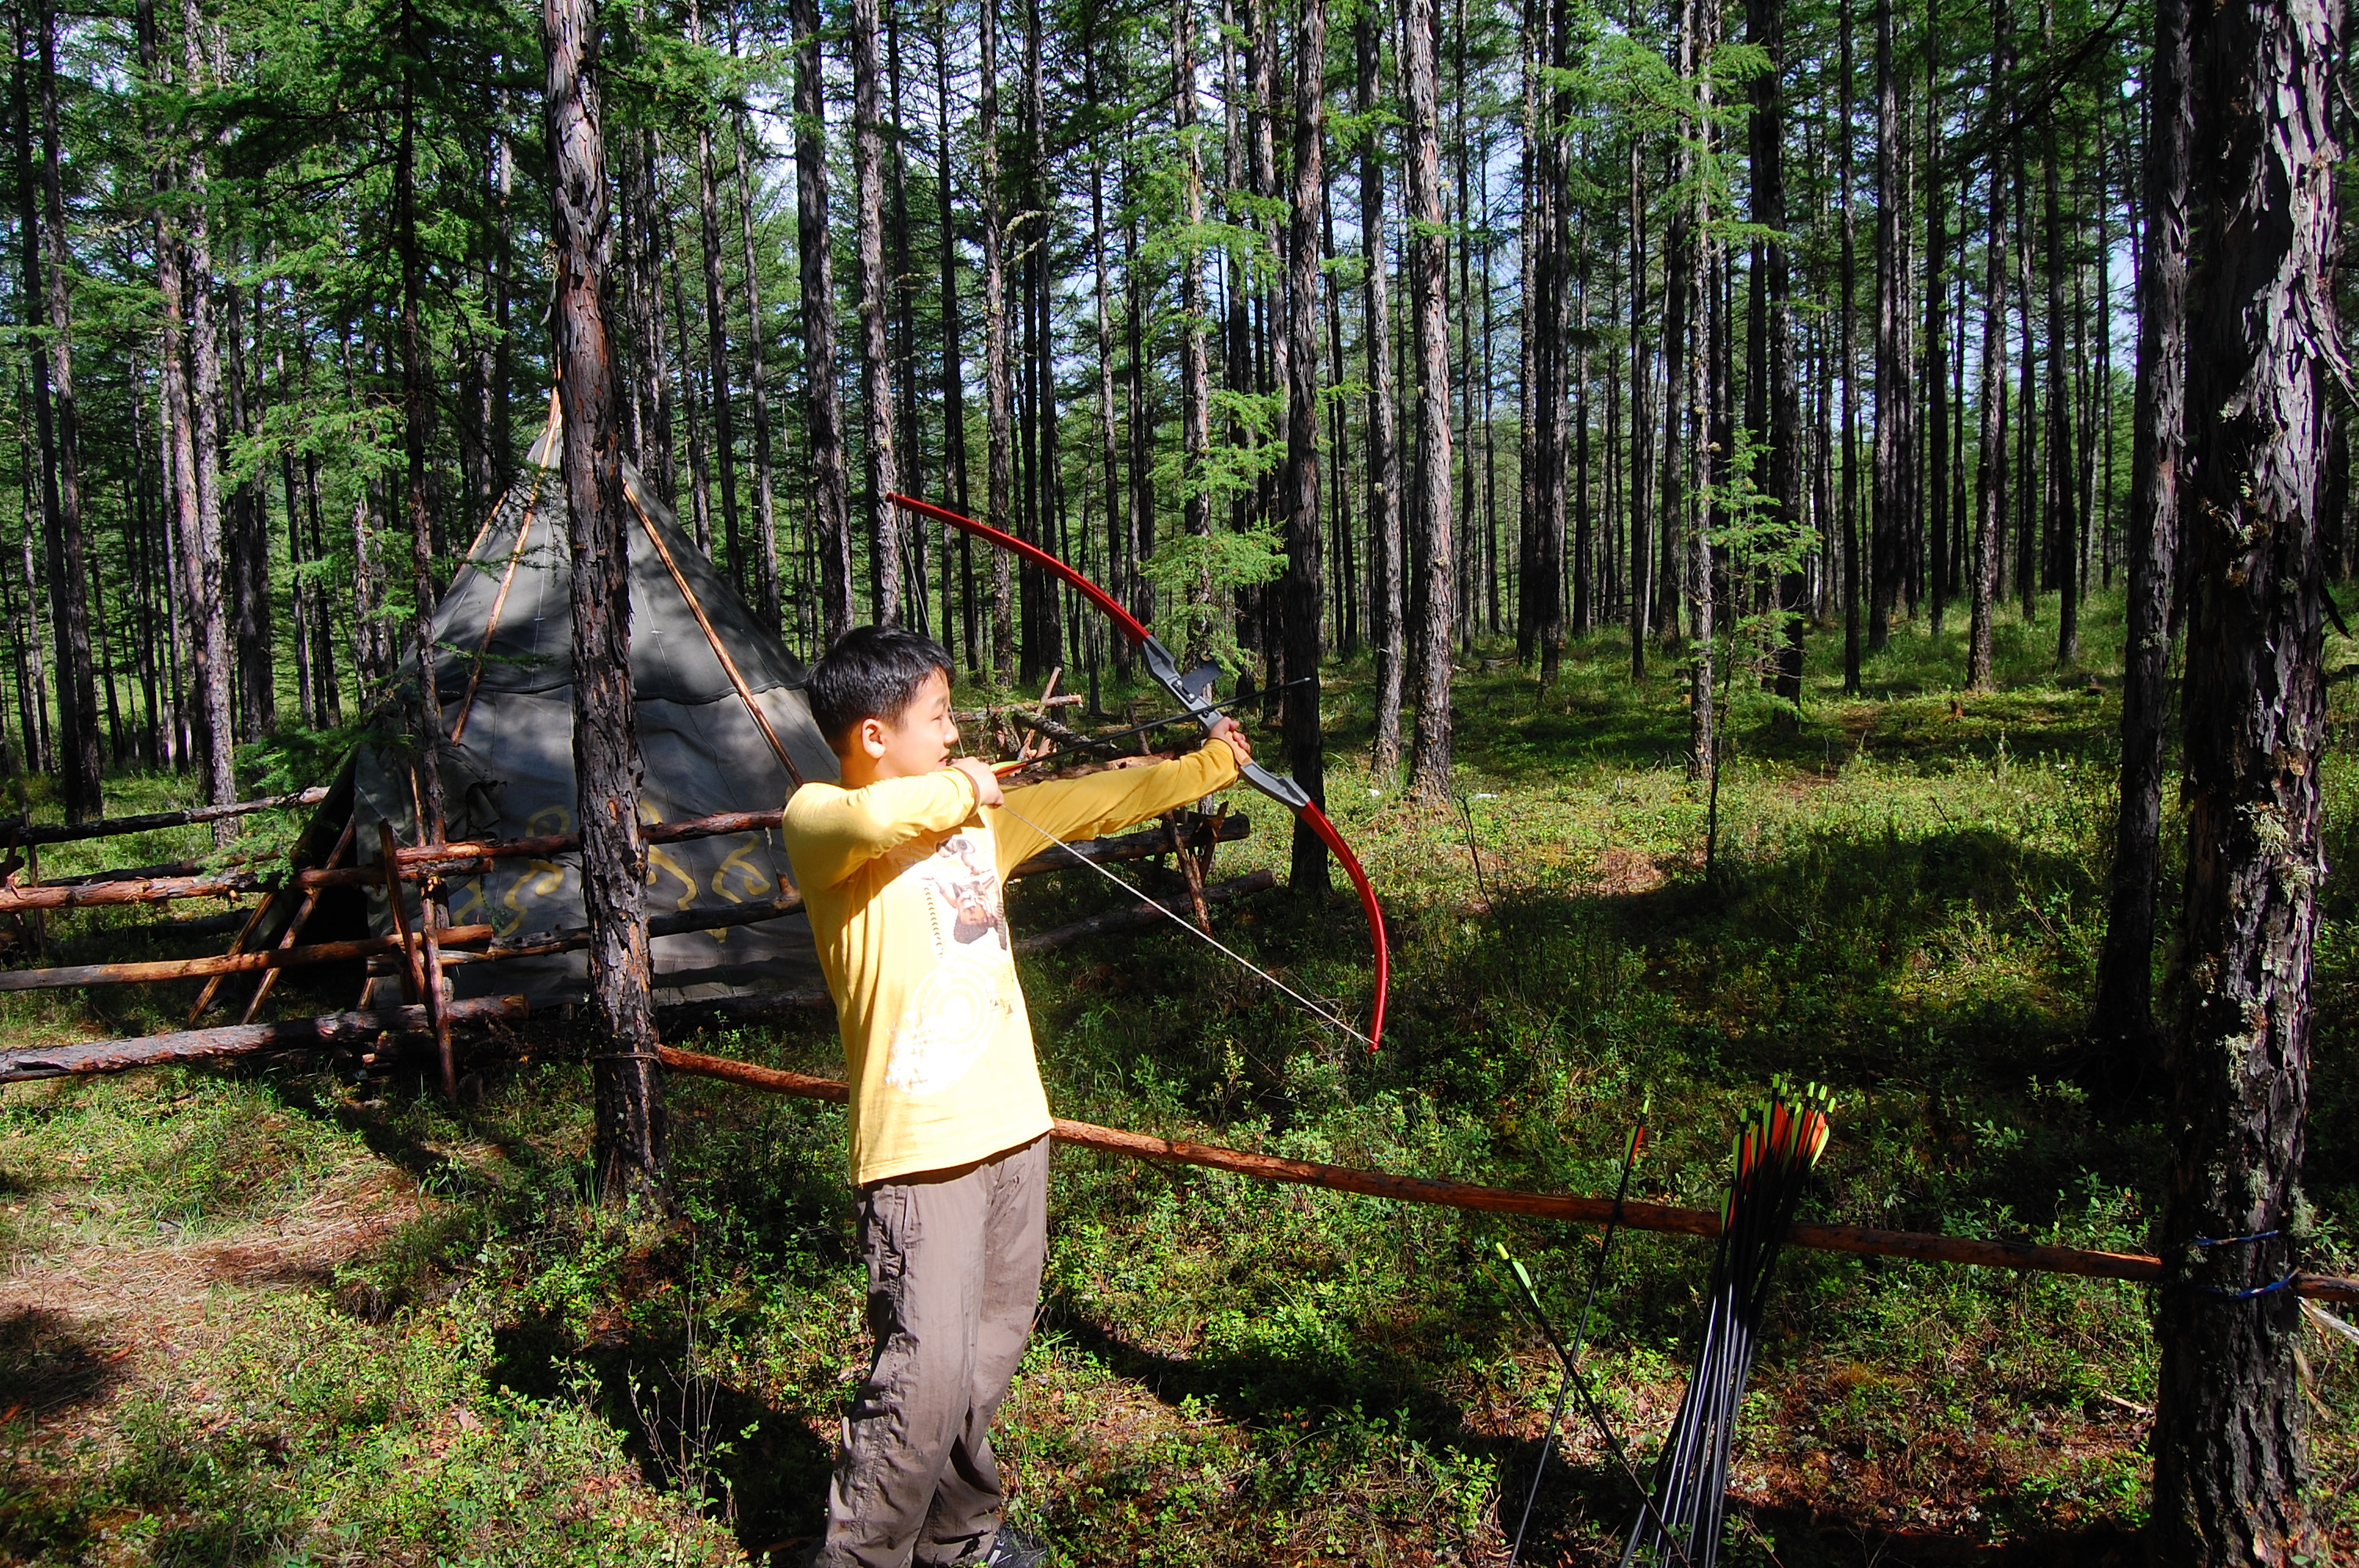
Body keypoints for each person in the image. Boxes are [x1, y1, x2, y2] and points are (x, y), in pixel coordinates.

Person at [781, 626, 1251, 1568]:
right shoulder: (818, 813)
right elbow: (874, 823)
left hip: (1014, 1129)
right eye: (938, 717)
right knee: (922, 1374)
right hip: (920, 1148)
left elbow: (1096, 798)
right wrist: (967, 786)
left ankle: (957, 1540)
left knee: (989, 1351)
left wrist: (1210, 764)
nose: (954, 734)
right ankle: (863, 1555)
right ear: (874, 735)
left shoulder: (973, 822)